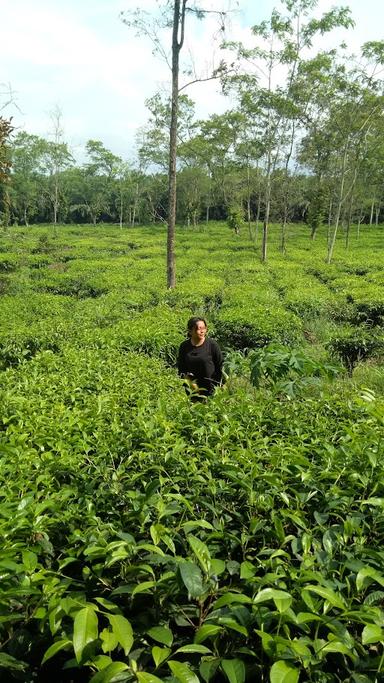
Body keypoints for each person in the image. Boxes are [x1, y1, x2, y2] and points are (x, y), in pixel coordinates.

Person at [178, 317, 223, 400]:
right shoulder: (184, 346)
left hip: (210, 388)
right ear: (190, 331)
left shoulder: (212, 345)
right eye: (198, 329)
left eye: (204, 328)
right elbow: (181, 367)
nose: (202, 331)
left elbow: (220, 365)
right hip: (192, 388)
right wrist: (190, 384)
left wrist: (219, 385)